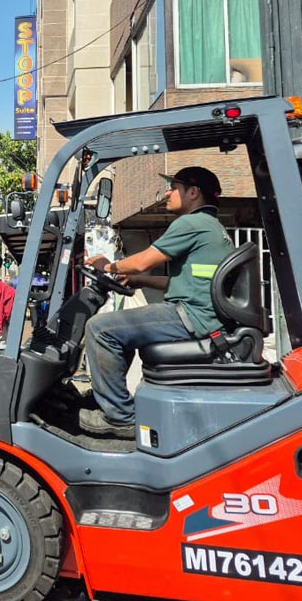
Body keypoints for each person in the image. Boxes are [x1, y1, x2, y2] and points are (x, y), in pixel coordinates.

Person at [81, 167, 233, 438]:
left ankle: (119, 417)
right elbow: (186, 281)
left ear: (193, 193)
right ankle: (112, 400)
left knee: (100, 329)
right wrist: (143, 282)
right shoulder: (213, 227)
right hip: (201, 314)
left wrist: (109, 266)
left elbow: (141, 262)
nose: (167, 193)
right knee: (120, 330)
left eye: (173, 187)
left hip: (192, 317)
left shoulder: (191, 223)